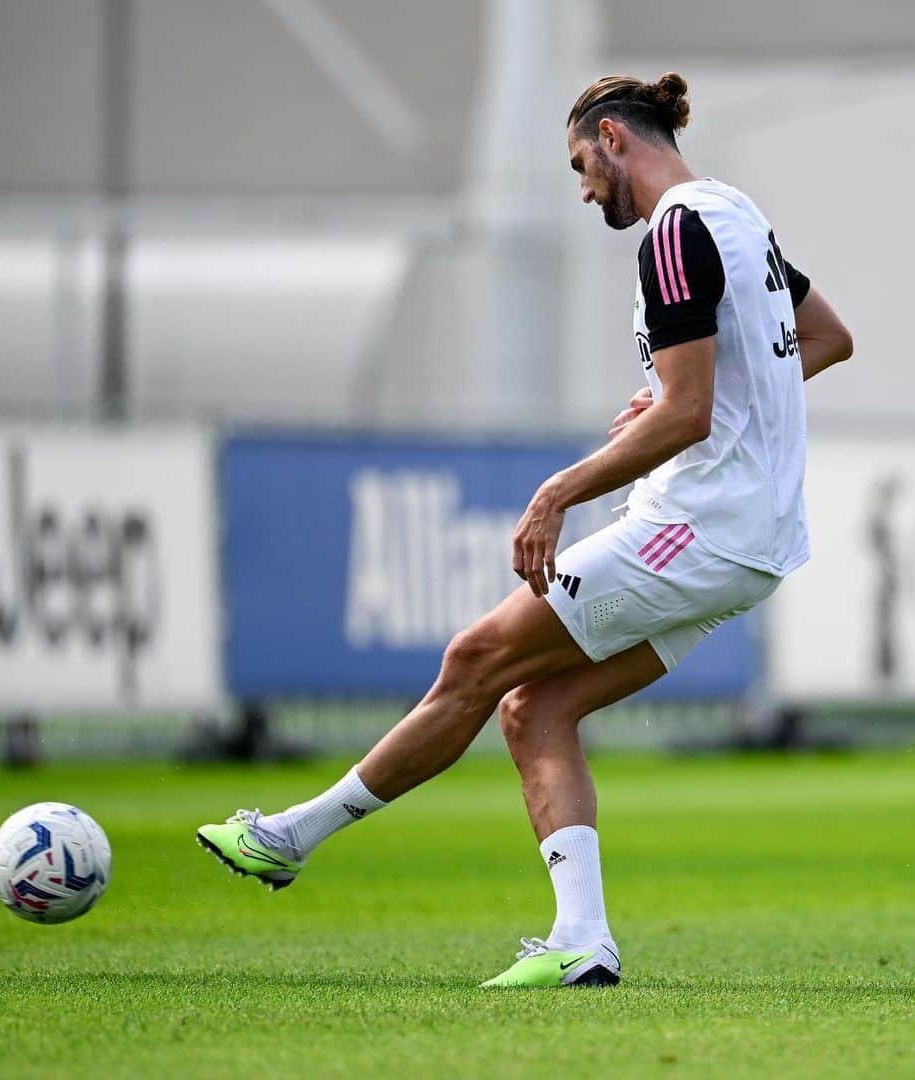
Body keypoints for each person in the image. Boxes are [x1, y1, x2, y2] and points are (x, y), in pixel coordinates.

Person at [197, 72, 853, 988]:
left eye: (584, 166)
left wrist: (558, 491)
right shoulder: (736, 214)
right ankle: (582, 939)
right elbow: (825, 338)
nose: (585, 189)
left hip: (696, 531)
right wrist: (699, 396)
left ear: (615, 139)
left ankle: (290, 837)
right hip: (752, 546)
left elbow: (691, 414)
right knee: (534, 705)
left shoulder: (672, 232)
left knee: (473, 660)